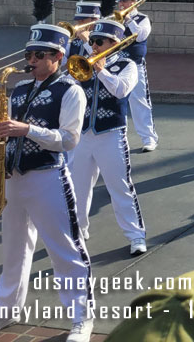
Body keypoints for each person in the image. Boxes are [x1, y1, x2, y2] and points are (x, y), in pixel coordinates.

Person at [0, 10, 93, 342]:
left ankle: (82, 318)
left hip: (48, 177)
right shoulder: (19, 89)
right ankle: (3, 314)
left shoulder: (71, 90)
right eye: (28, 54)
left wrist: (28, 129)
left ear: (58, 56)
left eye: (39, 54)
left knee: (65, 250)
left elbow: (69, 139)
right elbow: (7, 134)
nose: (31, 59)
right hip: (13, 178)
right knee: (13, 252)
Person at [69, 17, 147, 254]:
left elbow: (121, 90)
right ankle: (78, 232)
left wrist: (102, 70)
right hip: (83, 135)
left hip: (111, 134)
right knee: (78, 188)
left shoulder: (127, 65)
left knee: (120, 187)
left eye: (99, 41)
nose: (93, 46)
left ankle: (136, 236)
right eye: (92, 41)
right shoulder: (84, 64)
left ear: (114, 43)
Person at [117, 0, 159, 151]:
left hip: (134, 65)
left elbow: (140, 36)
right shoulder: (115, 18)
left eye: (125, 1)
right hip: (116, 65)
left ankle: (149, 138)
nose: (122, 4)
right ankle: (120, 138)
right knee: (117, 102)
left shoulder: (142, 19)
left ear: (134, 1)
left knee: (140, 101)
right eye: (121, 1)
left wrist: (128, 20)